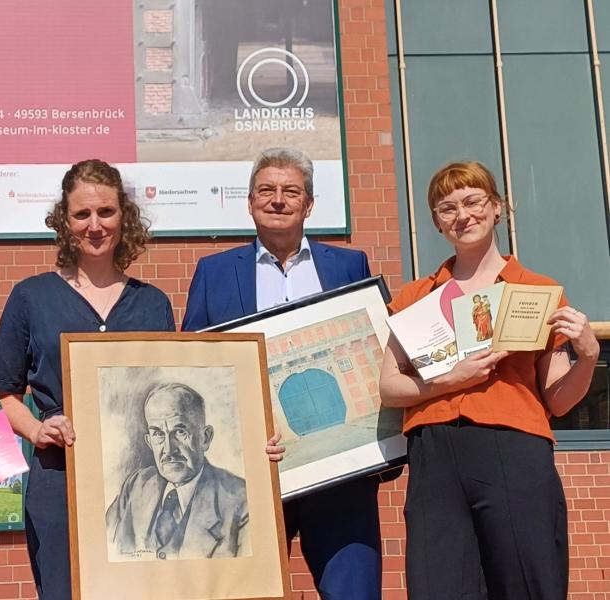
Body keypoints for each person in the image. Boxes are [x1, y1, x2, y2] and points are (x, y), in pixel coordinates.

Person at [379, 161, 599, 600]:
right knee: (438, 584)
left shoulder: (537, 290)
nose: (462, 214)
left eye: (473, 201)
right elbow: (389, 387)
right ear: (437, 223)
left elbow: (556, 399)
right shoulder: (415, 298)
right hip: (435, 454)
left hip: (513, 446)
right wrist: (451, 380)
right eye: (447, 208)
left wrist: (588, 357)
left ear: (497, 208)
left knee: (526, 579)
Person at [183, 147, 386, 600]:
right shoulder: (213, 273)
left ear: (309, 204)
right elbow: (195, 367)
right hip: (250, 474)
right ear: (250, 202)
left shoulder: (349, 266)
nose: (278, 200)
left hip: (340, 476)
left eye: (290, 191)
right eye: (266, 191)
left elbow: (375, 356)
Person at [0, 159, 177, 600]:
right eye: (82, 215)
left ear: (123, 217)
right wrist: (37, 429)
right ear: (64, 220)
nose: (95, 225)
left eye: (106, 213)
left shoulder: (153, 304)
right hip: (60, 478)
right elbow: (3, 394)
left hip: (141, 477)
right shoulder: (31, 297)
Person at [106, 382, 248, 560]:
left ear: (205, 438)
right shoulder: (136, 485)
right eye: (158, 434)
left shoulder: (241, 501)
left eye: (180, 432)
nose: (168, 449)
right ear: (149, 442)